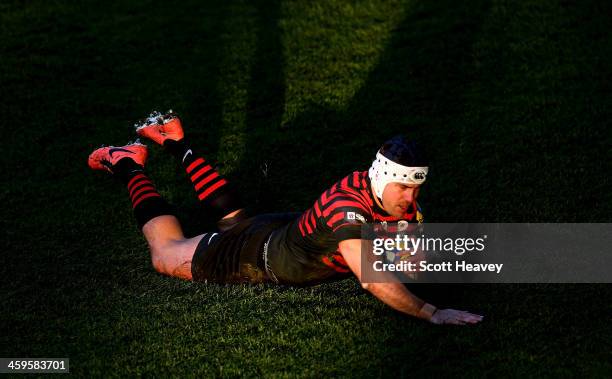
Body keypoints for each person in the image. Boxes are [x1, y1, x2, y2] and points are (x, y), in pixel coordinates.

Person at [88, 110, 483, 325]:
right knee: (165, 253)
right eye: (404, 188)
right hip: (251, 256)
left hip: (279, 231)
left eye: (416, 189)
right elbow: (375, 280)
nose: (410, 198)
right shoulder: (349, 213)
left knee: (235, 219)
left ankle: (177, 142)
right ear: (381, 177)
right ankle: (127, 162)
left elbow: (406, 256)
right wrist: (431, 311)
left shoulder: (383, 193)